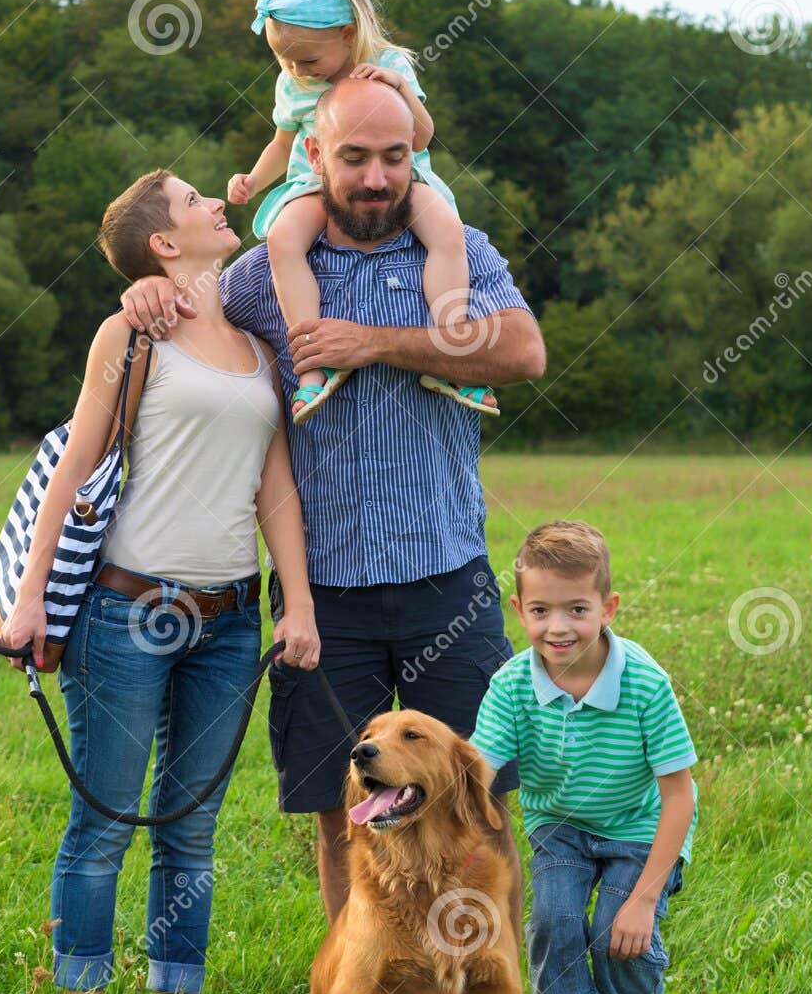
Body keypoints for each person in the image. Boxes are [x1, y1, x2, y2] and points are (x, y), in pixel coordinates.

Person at [120, 79, 545, 925]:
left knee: (480, 807)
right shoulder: (257, 278)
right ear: (314, 157)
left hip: (447, 582)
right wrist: (145, 293)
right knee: (341, 814)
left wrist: (378, 344)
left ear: (412, 159)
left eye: (394, 157)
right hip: (324, 598)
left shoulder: (454, 248)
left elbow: (524, 351)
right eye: (354, 157)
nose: (377, 178)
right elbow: (185, 316)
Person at [0, 169, 319, 994]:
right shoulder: (130, 334)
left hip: (228, 617)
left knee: (189, 826)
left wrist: (299, 608)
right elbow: (72, 468)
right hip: (124, 611)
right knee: (102, 822)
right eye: (192, 201)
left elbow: (275, 490)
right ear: (165, 245)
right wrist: (29, 601)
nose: (217, 201)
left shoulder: (258, 342)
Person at [229, 0, 497, 423]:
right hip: (314, 184)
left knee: (447, 232)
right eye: (284, 59)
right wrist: (253, 181)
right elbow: (281, 142)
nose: (296, 69)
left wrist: (399, 89)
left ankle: (453, 349)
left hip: (400, 179)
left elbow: (421, 138)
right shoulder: (292, 84)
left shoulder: (388, 65)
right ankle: (312, 362)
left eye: (308, 59)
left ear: (349, 34)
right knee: (283, 239)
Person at [472, 520, 698, 994]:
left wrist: (643, 899)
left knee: (615, 931)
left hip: (639, 825)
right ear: (518, 610)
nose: (559, 627)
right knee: (554, 919)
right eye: (540, 611)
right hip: (561, 823)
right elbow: (474, 773)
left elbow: (678, 796)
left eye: (577, 609)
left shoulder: (643, 682)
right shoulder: (510, 686)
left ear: (608, 608)